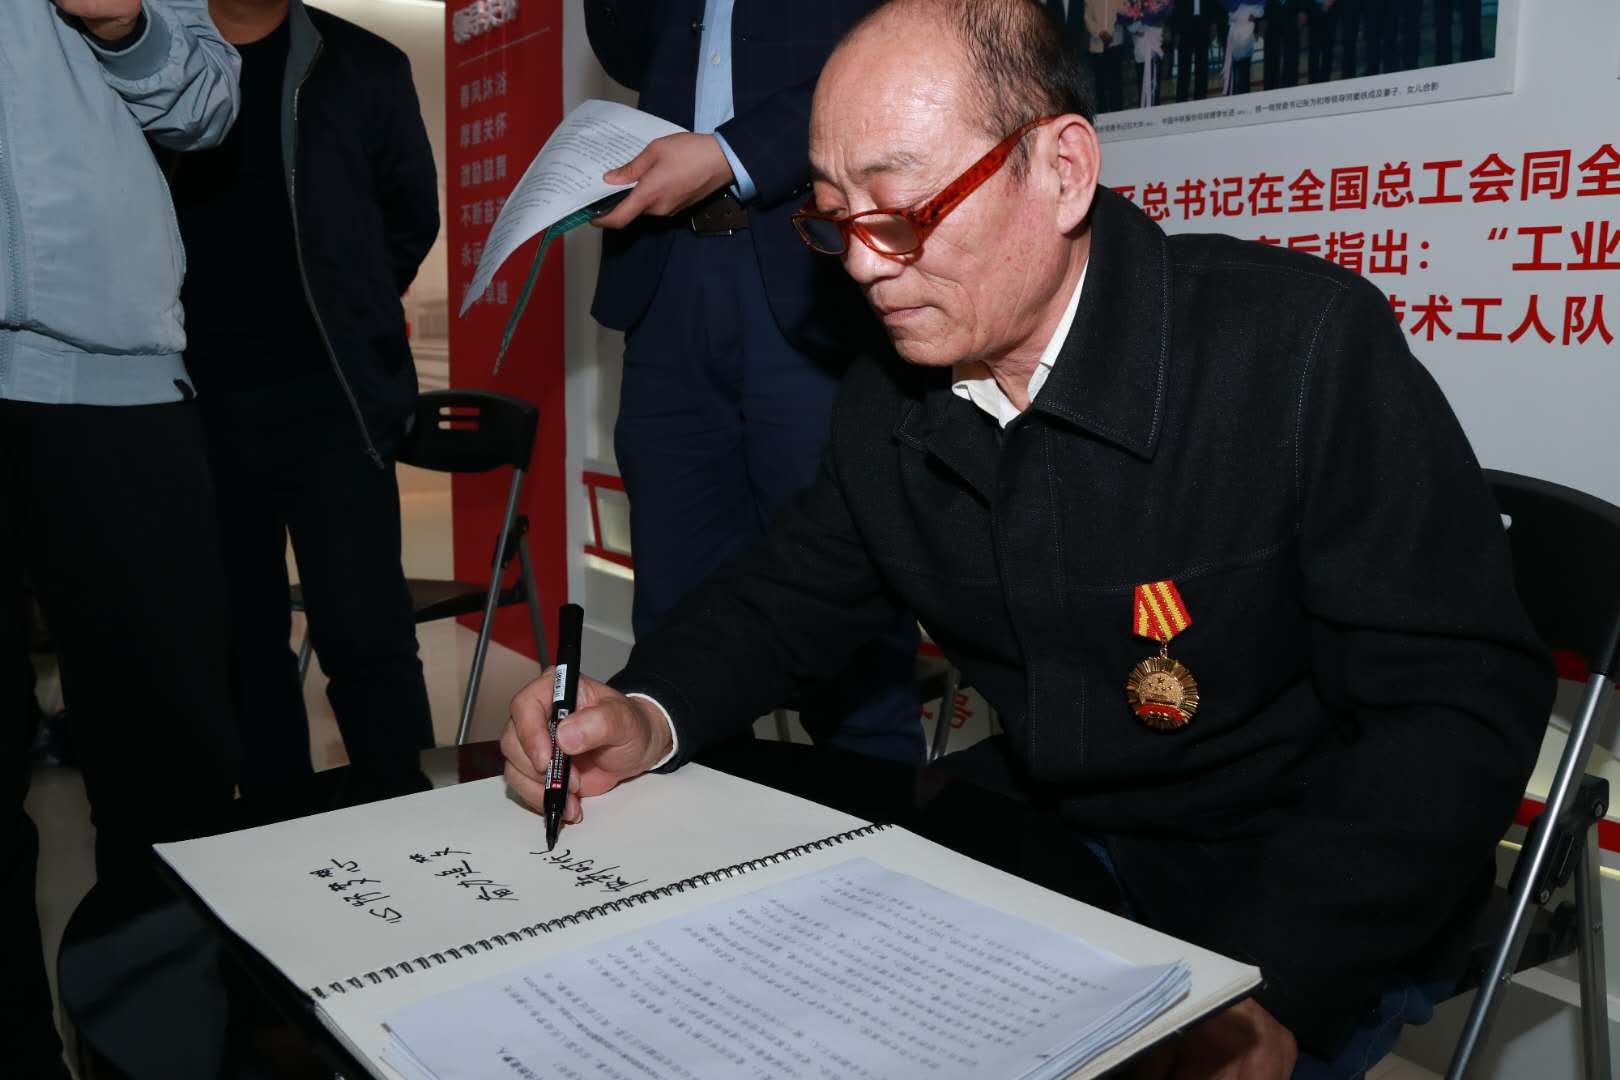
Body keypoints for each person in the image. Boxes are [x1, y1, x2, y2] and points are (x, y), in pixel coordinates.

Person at [504, 0, 1554, 1074]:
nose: (862, 264)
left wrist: (1279, 985)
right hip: (1056, 831)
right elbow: (788, 594)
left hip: (1301, 879)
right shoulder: (891, 393)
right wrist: (642, 712)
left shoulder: (1297, 351)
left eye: (902, 209)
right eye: (832, 215)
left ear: (1061, 170)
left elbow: (1455, 706)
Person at [582, 0, 924, 765]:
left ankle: (874, 824)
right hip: (666, 273)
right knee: (675, 610)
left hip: (814, 264)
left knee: (846, 616)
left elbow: (891, 52)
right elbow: (625, 50)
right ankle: (698, 823)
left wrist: (731, 154)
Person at [0, 1, 241, 1073]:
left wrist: (128, 24)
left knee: (166, 768)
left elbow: (210, 101)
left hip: (111, 379)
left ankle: (160, 1056)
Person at [166, 0, 440, 797]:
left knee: (367, 636)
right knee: (239, 643)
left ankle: (410, 827)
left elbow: (410, 217)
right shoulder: (151, 63)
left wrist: (353, 306)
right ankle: (273, 828)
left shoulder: (365, 65)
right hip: (195, 402)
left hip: (335, 401)